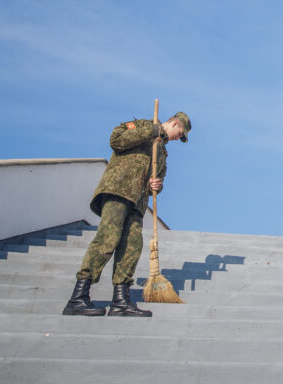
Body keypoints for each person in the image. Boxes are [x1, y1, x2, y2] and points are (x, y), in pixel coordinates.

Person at [62, 111, 191, 317]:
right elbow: (116, 140)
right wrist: (151, 131)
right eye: (180, 133)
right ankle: (78, 297)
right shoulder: (141, 125)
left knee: (132, 247)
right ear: (175, 123)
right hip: (118, 191)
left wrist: (156, 185)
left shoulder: (162, 153)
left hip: (137, 202)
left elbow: (157, 180)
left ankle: (120, 301)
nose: (178, 138)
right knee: (108, 239)